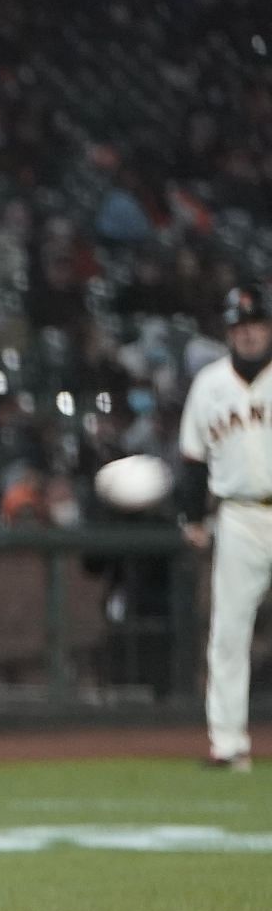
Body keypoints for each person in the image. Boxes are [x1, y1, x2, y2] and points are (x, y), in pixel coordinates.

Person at [177, 284, 272, 773]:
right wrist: (193, 516)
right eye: (240, 326)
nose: (249, 333)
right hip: (237, 514)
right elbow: (193, 460)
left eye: (256, 324)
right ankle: (228, 742)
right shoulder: (210, 385)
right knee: (229, 632)